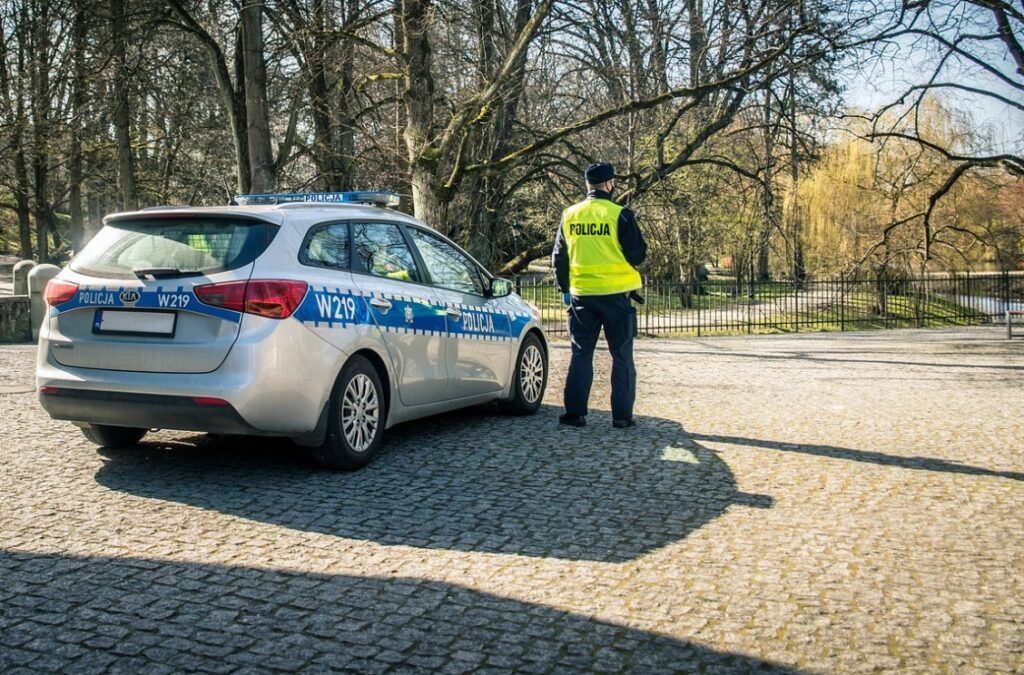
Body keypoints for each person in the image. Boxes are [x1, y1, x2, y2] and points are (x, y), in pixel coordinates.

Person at [551, 162, 647, 428]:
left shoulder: (570, 215)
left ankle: (574, 413)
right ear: (609, 184)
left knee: (581, 353)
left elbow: (559, 257)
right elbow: (637, 255)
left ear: (587, 185)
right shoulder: (621, 215)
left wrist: (565, 289)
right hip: (616, 296)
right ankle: (622, 417)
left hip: (582, 295)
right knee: (622, 355)